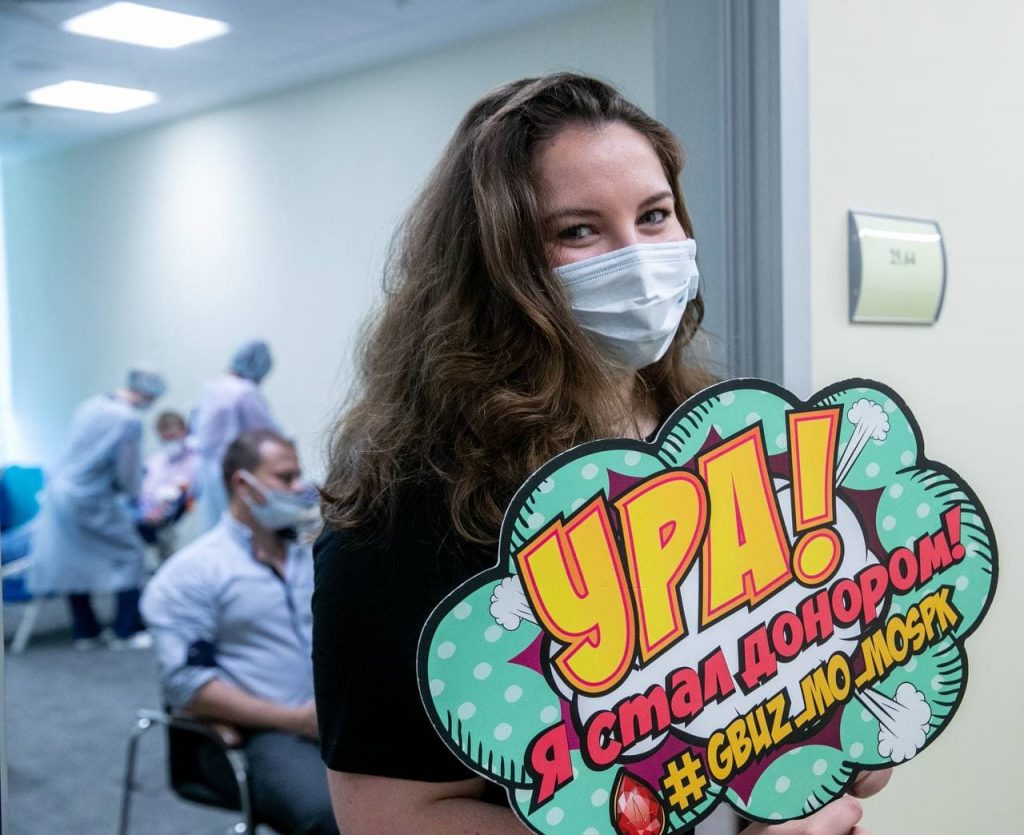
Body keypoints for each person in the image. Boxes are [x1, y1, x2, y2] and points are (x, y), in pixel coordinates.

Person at [311, 74, 890, 834]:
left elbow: (805, 706)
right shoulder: (412, 507)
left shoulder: (724, 441)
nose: (638, 259)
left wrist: (842, 739)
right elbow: (387, 818)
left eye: (654, 215)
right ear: (493, 263)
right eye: (579, 230)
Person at [141, 429, 335, 835]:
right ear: (242, 484)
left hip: (332, 716)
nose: (299, 487)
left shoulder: (310, 554)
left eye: (298, 475)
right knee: (331, 816)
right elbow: (187, 684)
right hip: (261, 731)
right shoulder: (193, 573)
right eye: (285, 477)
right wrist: (297, 720)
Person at [27, 364, 165, 650]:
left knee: (71, 558)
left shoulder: (90, 405)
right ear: (147, 393)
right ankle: (125, 631)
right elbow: (127, 475)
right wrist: (139, 497)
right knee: (131, 554)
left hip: (59, 491)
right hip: (89, 498)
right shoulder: (128, 419)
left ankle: (85, 632)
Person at [193, 340, 280, 532]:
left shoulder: (212, 387)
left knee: (215, 529)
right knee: (241, 529)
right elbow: (266, 434)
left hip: (206, 470)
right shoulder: (245, 391)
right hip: (233, 472)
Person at [136, 410, 201, 556]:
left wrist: (164, 507)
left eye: (172, 436)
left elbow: (188, 492)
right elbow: (145, 492)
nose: (169, 442)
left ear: (184, 431)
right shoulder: (155, 462)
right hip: (150, 521)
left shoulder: (197, 461)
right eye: (164, 439)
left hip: (179, 520)